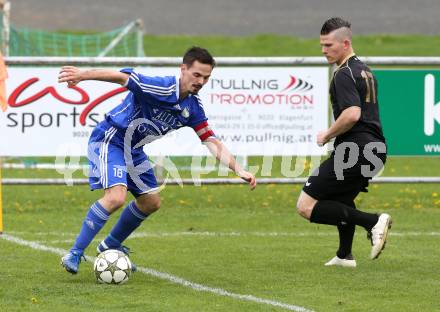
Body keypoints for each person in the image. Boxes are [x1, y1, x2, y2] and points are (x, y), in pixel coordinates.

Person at [58, 46, 257, 274]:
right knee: (115, 197)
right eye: (197, 75)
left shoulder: (192, 107)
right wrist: (82, 75)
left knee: (151, 203)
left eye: (206, 77)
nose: (201, 81)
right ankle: (74, 252)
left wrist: (238, 169)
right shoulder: (160, 86)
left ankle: (110, 244)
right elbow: (122, 77)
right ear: (183, 69)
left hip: (134, 149)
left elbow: (210, 140)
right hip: (110, 139)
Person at [296, 18, 391, 267]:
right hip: (375, 149)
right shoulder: (365, 70)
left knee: (306, 206)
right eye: (322, 45)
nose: (323, 50)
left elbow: (352, 114)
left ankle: (373, 221)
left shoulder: (344, 74)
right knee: (340, 200)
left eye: (328, 45)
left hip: (356, 149)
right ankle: (344, 255)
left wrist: (327, 135)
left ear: (345, 43)